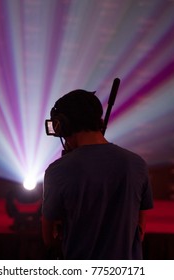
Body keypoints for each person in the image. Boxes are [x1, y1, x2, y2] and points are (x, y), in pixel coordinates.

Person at [42, 89, 154, 259]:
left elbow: (49, 236)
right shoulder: (136, 164)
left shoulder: (58, 170)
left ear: (63, 125)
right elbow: (140, 229)